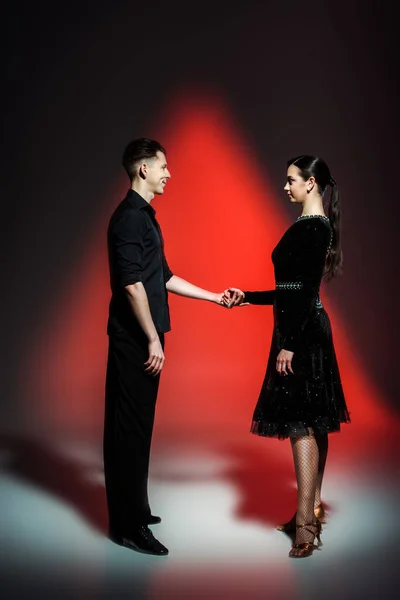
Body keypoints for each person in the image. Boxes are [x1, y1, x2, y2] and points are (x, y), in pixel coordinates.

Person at [104, 138, 239, 556]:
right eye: (163, 165)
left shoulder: (145, 219)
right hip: (134, 341)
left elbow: (161, 277)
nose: (169, 172)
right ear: (143, 169)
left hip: (146, 338)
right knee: (128, 430)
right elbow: (130, 285)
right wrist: (149, 338)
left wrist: (215, 297)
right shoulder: (129, 218)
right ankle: (127, 527)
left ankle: (135, 510)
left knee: (139, 428)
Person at [226, 155, 350, 559]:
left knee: (302, 423)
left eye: (291, 180)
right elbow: (291, 288)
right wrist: (247, 297)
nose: (286, 186)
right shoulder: (308, 225)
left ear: (311, 184)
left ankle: (305, 525)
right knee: (313, 420)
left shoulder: (315, 228)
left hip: (303, 333)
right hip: (301, 326)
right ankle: (310, 509)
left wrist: (291, 342)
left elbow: (307, 290)